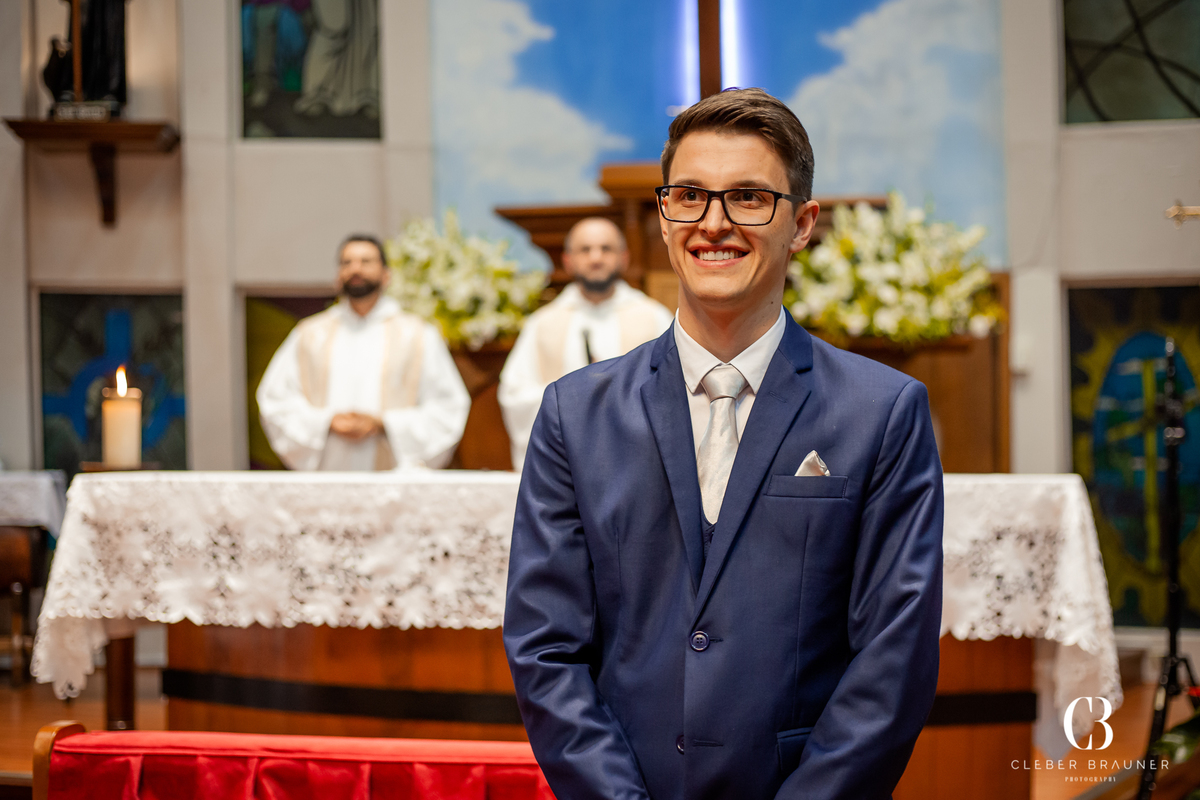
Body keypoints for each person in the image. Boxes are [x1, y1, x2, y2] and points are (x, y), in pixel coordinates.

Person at [504, 89, 944, 799]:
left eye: (748, 198)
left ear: (801, 224)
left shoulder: (881, 412)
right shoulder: (574, 414)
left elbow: (894, 659)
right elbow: (546, 647)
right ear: (663, 213)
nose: (714, 223)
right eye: (690, 195)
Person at [257, 234, 470, 471]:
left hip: (393, 481)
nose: (355, 269)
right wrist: (327, 422)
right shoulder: (309, 335)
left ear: (386, 275)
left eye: (366, 261)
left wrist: (385, 424)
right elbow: (275, 402)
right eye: (346, 263)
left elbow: (448, 406)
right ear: (338, 276)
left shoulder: (418, 335)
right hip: (329, 476)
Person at [498, 217, 673, 469]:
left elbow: (671, 392)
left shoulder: (654, 318)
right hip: (564, 464)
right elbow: (515, 396)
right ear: (567, 261)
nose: (596, 258)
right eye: (585, 250)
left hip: (636, 463)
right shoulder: (542, 325)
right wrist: (574, 398)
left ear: (624, 258)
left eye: (606, 249)